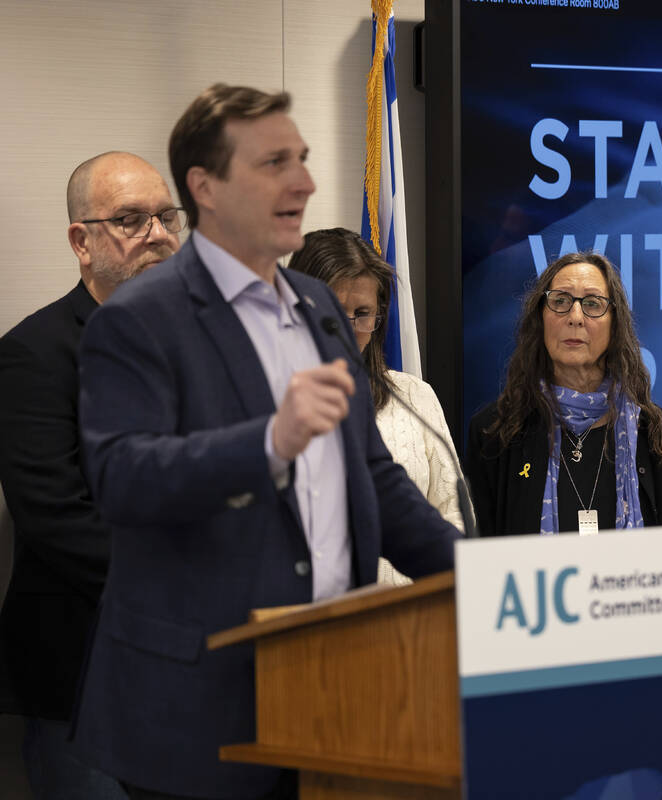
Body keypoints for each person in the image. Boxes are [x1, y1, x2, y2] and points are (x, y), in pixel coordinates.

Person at [72, 85, 460, 800]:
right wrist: (271, 441)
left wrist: (487, 579)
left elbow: (373, 481)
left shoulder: (318, 308)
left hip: (336, 692)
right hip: (197, 711)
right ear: (206, 187)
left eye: (303, 160)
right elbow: (124, 476)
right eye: (274, 162)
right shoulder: (137, 319)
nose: (304, 182)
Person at [0, 151, 181, 799]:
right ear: (82, 241)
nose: (159, 234)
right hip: (86, 680)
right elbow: (54, 514)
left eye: (167, 216)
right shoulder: (35, 353)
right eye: (132, 219)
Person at [288, 227, 471, 584]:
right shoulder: (270, 398)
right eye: (335, 313)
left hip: (413, 620)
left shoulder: (413, 396)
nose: (349, 329)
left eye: (363, 312)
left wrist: (475, 575)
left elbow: (452, 513)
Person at [464, 251, 662, 536]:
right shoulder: (494, 432)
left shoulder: (658, 435)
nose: (575, 317)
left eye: (593, 304)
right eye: (560, 301)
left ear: (615, 324)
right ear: (541, 318)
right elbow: (482, 559)